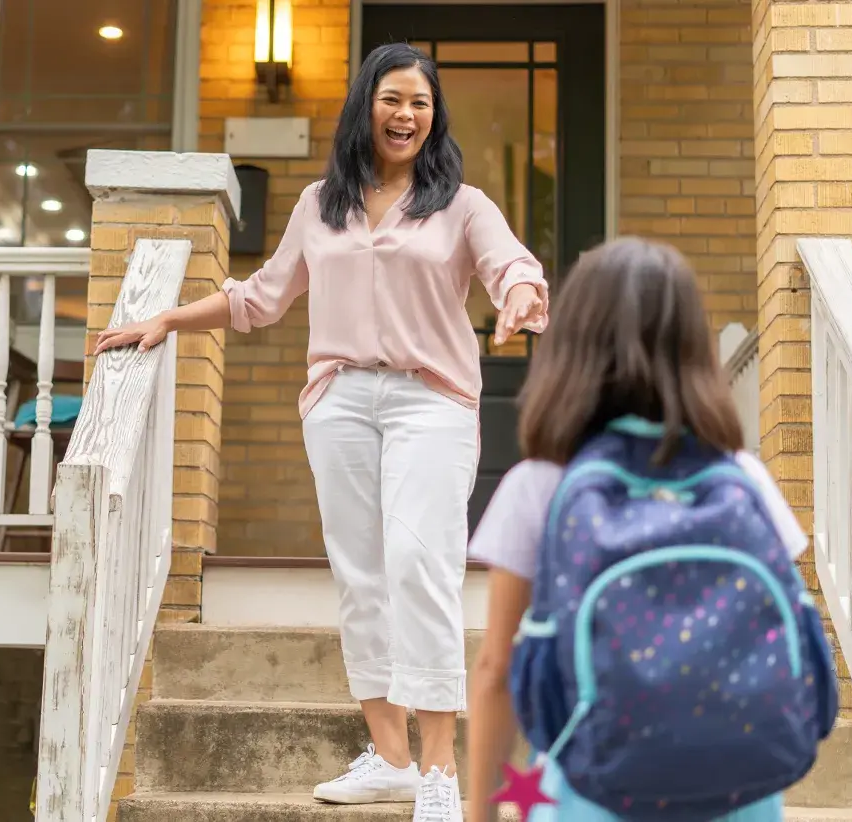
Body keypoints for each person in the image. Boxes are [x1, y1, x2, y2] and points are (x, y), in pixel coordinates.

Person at [95, 42, 548, 822]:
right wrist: (169, 317)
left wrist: (521, 296)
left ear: (434, 118)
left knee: (420, 562)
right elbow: (260, 299)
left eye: (421, 103)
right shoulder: (320, 204)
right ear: (364, 105)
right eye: (393, 100)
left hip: (430, 403)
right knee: (361, 572)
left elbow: (510, 264)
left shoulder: (462, 204)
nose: (407, 115)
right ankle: (392, 756)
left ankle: (440, 768)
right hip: (338, 402)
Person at [465, 237, 836, 822]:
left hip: (591, 791)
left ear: (571, 349)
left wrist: (482, 812)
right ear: (693, 350)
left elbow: (496, 672)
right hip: (740, 789)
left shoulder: (540, 485)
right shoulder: (741, 478)